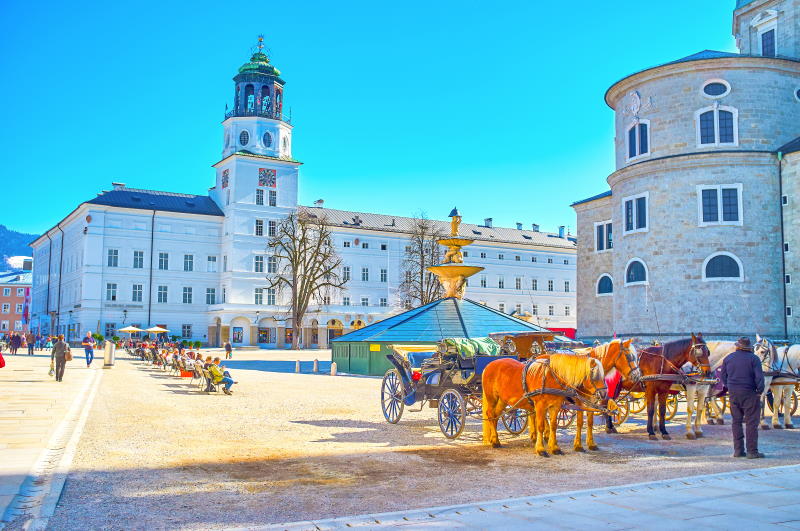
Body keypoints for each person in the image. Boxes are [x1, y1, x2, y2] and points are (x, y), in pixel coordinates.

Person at [721, 337, 765, 459]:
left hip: (734, 393)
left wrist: (730, 387)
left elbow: (723, 376)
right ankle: (752, 451)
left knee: (736, 422)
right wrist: (759, 391)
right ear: (749, 347)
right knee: (751, 423)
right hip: (750, 393)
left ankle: (738, 451)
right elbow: (759, 378)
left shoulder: (728, 358)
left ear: (737, 346)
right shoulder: (754, 359)